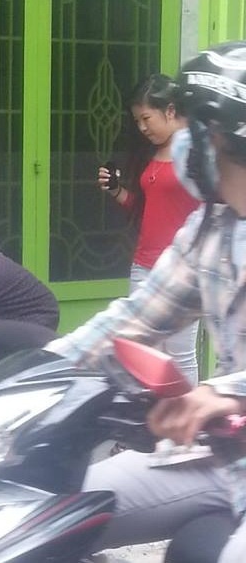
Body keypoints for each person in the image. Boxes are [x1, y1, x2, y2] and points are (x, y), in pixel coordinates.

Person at [0, 41, 246, 563]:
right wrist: (27, 373)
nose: (184, 143)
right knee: (37, 511)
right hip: (223, 457)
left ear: (221, 136)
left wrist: (224, 392)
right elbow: (133, 319)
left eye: (195, 128)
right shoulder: (211, 230)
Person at [98, 74, 201, 383]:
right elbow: (144, 210)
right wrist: (116, 190)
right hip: (144, 265)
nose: (142, 128)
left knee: (180, 355)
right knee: (141, 347)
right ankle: (151, 410)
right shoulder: (150, 153)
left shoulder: (198, 154)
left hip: (182, 270)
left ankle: (188, 411)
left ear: (170, 110)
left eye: (146, 118)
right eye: (137, 121)